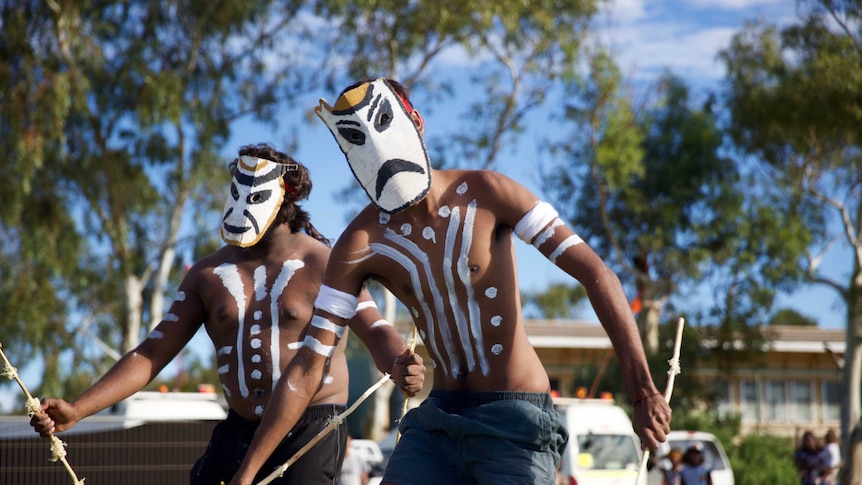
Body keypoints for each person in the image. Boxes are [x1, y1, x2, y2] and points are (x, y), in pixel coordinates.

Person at [228, 77, 671, 485]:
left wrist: (643, 391)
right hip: (436, 423)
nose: (379, 153)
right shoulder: (360, 242)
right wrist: (246, 476)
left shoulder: (490, 193)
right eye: (357, 140)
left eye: (385, 123)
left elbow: (596, 273)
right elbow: (308, 365)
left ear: (415, 121)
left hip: (517, 419)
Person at [29, 143, 424, 485]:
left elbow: (376, 331)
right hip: (238, 429)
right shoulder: (206, 274)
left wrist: (399, 363)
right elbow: (151, 353)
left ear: (286, 198)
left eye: (256, 195)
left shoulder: (327, 263)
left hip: (312, 429)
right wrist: (77, 409)